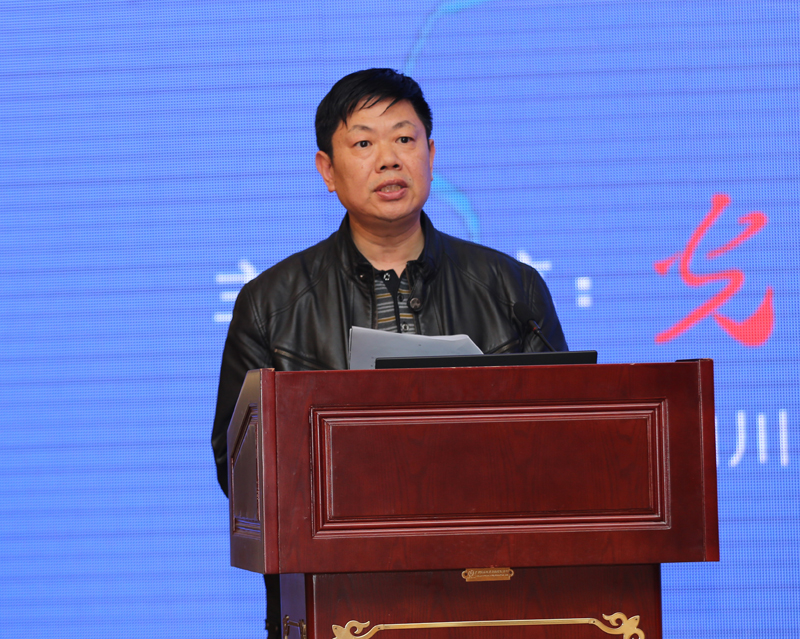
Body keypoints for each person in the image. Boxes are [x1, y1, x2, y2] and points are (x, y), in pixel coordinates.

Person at [211, 68, 568, 637]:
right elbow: (241, 473)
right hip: (337, 600)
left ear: (431, 154)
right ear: (327, 170)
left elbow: (564, 445)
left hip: (492, 594)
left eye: (404, 138)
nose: (388, 159)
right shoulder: (270, 304)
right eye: (363, 144)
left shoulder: (511, 289)